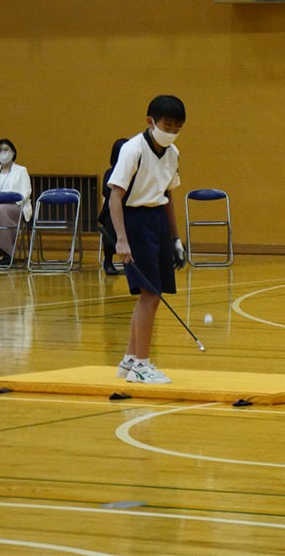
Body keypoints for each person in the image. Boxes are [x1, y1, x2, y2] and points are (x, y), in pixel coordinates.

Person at [108, 95, 187, 384]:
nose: (172, 131)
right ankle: (142, 364)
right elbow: (115, 195)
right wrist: (122, 240)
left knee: (151, 295)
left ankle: (129, 360)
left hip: (157, 223)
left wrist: (176, 239)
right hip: (135, 221)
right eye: (168, 125)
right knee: (150, 295)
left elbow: (169, 196)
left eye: (178, 127)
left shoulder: (173, 153)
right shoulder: (133, 150)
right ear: (150, 121)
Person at [0, 139, 32, 265]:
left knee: (1, 210)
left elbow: (26, 192)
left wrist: (14, 201)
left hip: (15, 206)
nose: (2, 153)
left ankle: (5, 251)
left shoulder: (21, 170)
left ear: (13, 152)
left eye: (6, 150)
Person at [99, 138, 128, 275]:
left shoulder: (133, 172)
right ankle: (108, 261)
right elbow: (107, 192)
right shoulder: (109, 173)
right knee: (110, 221)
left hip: (130, 208)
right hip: (112, 210)